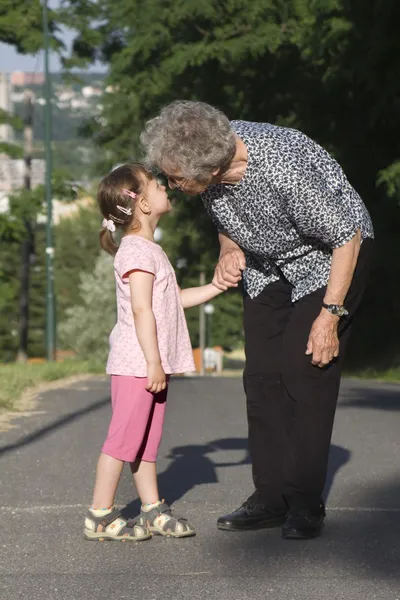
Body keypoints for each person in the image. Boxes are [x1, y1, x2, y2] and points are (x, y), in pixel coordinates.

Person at [140, 101, 374, 539]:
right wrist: (229, 248)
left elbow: (347, 235)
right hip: (268, 266)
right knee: (262, 377)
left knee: (303, 371)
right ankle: (269, 498)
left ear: (208, 168)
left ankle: (304, 503)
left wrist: (330, 315)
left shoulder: (281, 164)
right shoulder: (208, 169)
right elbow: (227, 219)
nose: (169, 185)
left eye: (175, 179)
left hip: (332, 262)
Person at [84, 163, 223, 542]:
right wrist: (153, 362)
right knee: (122, 441)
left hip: (146, 364)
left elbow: (171, 301)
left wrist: (214, 286)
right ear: (143, 204)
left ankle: (150, 509)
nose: (166, 188)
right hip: (138, 364)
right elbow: (142, 310)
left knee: (145, 443)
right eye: (157, 185)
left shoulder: (148, 250)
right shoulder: (137, 253)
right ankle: (100, 515)